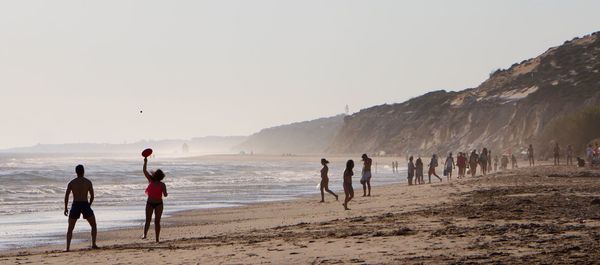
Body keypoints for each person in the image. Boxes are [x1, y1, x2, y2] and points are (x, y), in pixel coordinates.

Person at [64, 164, 98, 252]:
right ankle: (93, 244)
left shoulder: (71, 183)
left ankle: (68, 248)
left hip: (75, 205)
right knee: (93, 225)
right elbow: (92, 196)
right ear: (83, 171)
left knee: (70, 228)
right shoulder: (88, 182)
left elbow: (66, 196)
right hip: (85, 204)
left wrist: (65, 208)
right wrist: (89, 205)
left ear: (76, 172)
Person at [143, 157, 168, 243]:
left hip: (156, 204)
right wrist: (145, 162)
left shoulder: (154, 181)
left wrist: (145, 162)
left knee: (149, 220)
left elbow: (144, 171)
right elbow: (165, 195)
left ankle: (147, 236)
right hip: (155, 203)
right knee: (155, 221)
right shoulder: (158, 183)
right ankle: (151, 237)